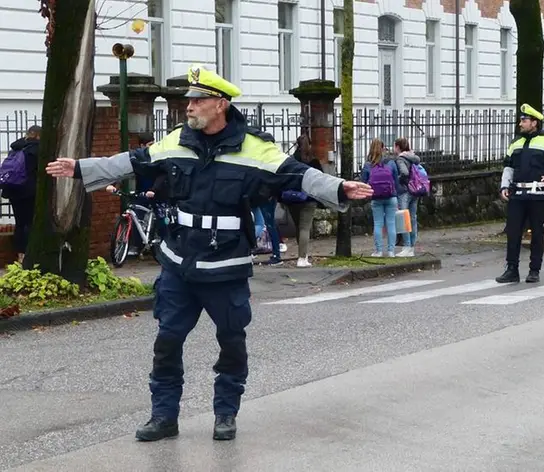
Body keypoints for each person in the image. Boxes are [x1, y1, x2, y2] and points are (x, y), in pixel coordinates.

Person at [45, 64, 372, 442]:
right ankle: (163, 417)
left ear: (220, 104)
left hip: (227, 267)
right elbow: (132, 162)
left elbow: (298, 174)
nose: (190, 107)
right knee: (167, 342)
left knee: (231, 342)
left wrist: (340, 188)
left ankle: (225, 414)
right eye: (189, 101)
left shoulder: (255, 147)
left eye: (198, 100)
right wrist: (80, 168)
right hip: (180, 263)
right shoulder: (176, 141)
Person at [496, 104, 544, 284]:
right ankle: (511, 269)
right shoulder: (515, 143)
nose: (521, 123)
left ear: (534, 123)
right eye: (521, 120)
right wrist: (504, 186)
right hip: (518, 194)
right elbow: (508, 167)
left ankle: (534, 270)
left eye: (524, 120)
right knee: (513, 232)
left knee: (536, 233)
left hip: (537, 195)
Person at [1, 125, 40, 263]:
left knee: (19, 223)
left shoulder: (16, 147)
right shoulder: (36, 149)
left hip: (13, 190)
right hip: (28, 192)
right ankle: (28, 255)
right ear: (38, 135)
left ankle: (20, 255)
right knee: (30, 223)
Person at [285, 134, 320, 267]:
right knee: (305, 228)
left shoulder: (291, 161)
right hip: (309, 198)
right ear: (309, 145)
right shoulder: (313, 161)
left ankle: (303, 255)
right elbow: (320, 180)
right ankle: (302, 258)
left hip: (293, 198)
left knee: (299, 227)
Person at [361, 138, 399, 257]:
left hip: (376, 198)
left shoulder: (368, 165)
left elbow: (364, 182)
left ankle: (378, 251)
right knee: (391, 223)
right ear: (383, 149)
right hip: (391, 196)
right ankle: (391, 251)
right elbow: (396, 180)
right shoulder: (391, 163)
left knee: (378, 224)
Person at [394, 138, 421, 257]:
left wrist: (399, 181)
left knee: (403, 218)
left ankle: (407, 247)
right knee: (412, 218)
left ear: (398, 147)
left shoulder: (400, 158)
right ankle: (412, 246)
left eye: (395, 146)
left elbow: (404, 173)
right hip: (415, 190)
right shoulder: (413, 157)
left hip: (405, 191)